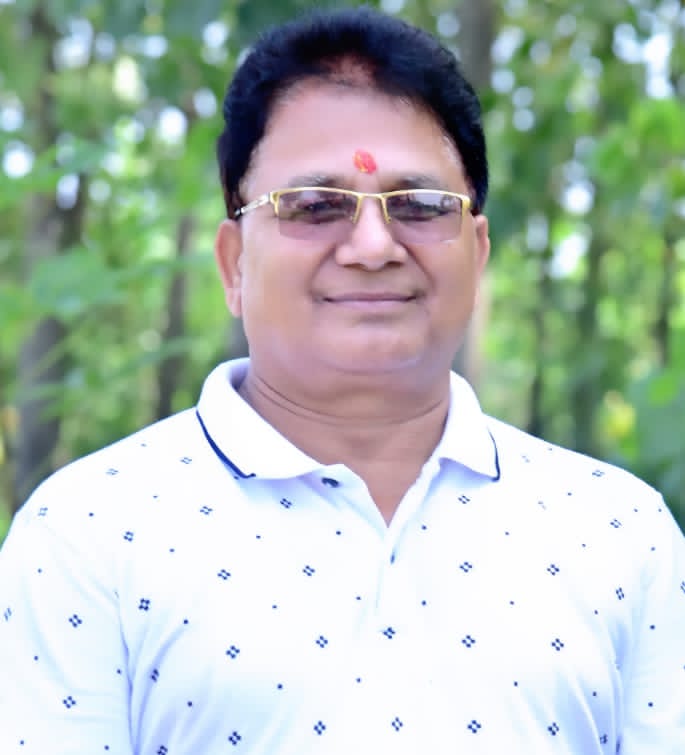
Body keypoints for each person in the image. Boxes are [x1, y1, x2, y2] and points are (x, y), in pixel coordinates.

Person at [1, 7, 684, 754]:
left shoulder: (621, 535)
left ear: (477, 251)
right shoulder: (88, 535)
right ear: (233, 263)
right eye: (314, 206)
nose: (371, 245)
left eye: (419, 206)